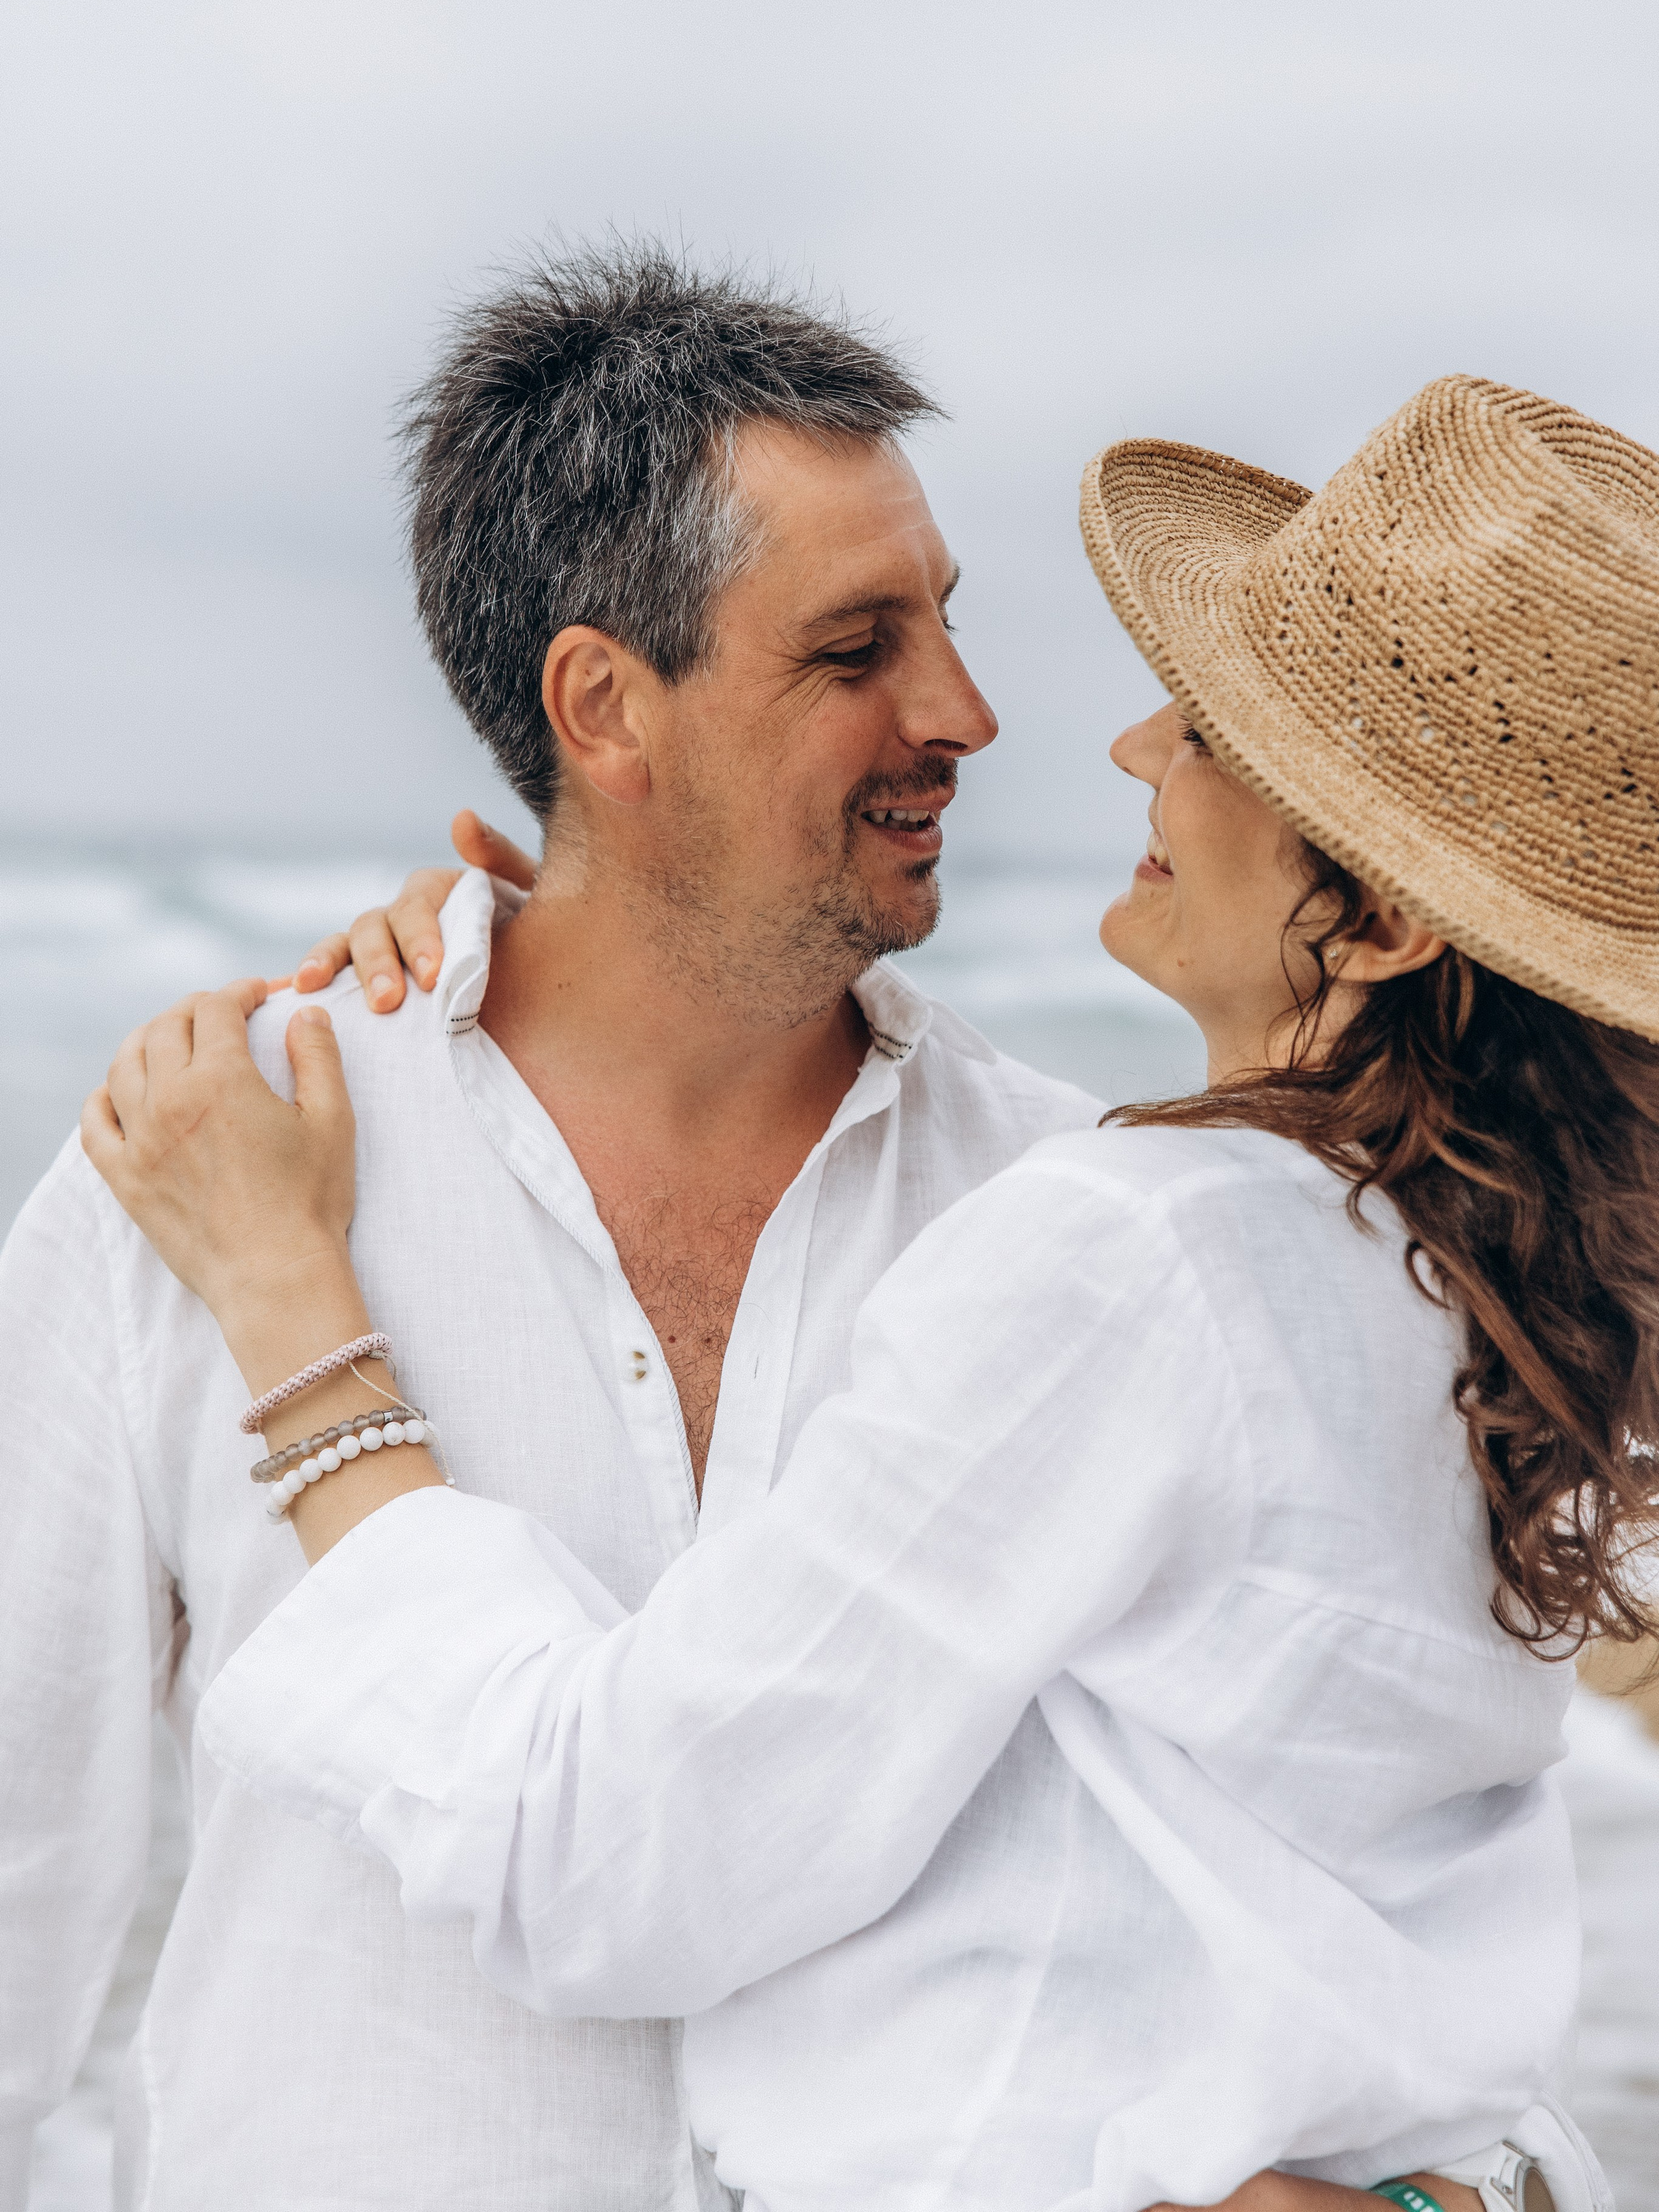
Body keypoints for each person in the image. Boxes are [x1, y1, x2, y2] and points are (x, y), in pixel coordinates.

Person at [82, 377, 1651, 2211]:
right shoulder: (1484, 1294)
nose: (1130, 745)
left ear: (1382, 925)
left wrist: (295, 1317)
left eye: (1221, 725)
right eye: (859, 644)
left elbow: (607, 1860)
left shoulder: (1135, 1248)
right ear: (607, 713)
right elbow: (1399, 1938)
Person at [0, 246, 1112, 2210]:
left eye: (945, 622)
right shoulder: (194, 1166)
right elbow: (18, 1887)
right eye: (857, 650)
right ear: (605, 703)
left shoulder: (1072, 1219)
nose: (967, 711)